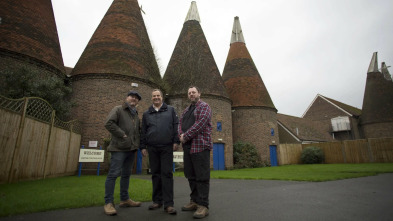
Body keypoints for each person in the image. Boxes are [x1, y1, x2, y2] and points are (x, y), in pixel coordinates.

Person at [140, 89, 180, 215]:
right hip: (152, 147)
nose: (156, 98)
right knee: (155, 174)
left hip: (166, 147)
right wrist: (143, 146)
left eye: (158, 96)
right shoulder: (147, 114)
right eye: (154, 96)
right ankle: (157, 201)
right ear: (151, 98)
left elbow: (176, 126)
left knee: (167, 174)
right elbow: (143, 131)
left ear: (162, 97)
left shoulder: (171, 110)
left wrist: (176, 141)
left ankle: (169, 204)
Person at [103, 91, 142, 216]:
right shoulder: (118, 109)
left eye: (136, 98)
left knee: (126, 174)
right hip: (119, 148)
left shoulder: (135, 114)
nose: (134, 99)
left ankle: (125, 199)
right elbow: (108, 123)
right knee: (113, 175)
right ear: (127, 98)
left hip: (131, 149)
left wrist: (138, 144)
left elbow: (136, 132)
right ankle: (108, 203)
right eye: (132, 97)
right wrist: (122, 134)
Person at [178, 86, 212, 219]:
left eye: (194, 92)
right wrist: (180, 134)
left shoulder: (204, 107)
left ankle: (203, 205)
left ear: (199, 93)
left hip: (200, 146)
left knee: (202, 176)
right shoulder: (186, 110)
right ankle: (195, 201)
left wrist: (185, 136)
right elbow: (179, 124)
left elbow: (200, 124)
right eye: (189, 93)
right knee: (190, 175)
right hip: (187, 147)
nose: (191, 94)